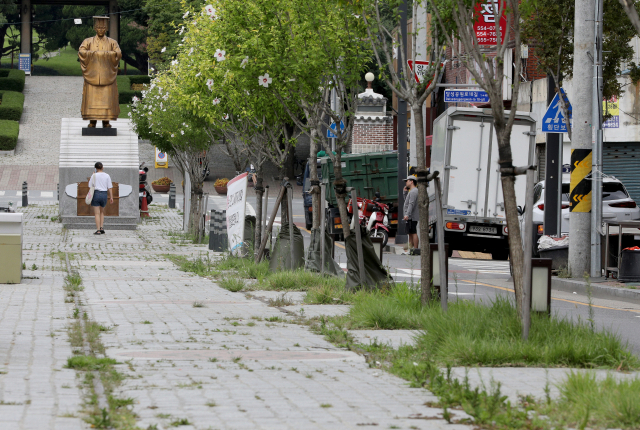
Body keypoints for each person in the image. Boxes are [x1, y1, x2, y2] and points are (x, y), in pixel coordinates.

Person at [78, 16, 121, 128]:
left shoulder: (112, 42)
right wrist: (94, 54)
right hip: (92, 74)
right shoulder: (88, 41)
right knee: (91, 97)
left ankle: (106, 121)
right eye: (99, 27)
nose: (101, 30)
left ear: (106, 28)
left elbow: (118, 53)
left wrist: (107, 55)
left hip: (107, 75)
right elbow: (81, 51)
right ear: (95, 28)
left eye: (103, 28)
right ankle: (92, 121)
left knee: (107, 97)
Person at [90, 162, 114, 235]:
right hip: (104, 194)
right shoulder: (107, 175)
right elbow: (110, 187)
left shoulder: (94, 175)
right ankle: (101, 227)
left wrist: (93, 175)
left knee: (97, 213)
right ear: (102, 167)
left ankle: (98, 230)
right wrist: (111, 197)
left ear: (96, 168)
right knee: (102, 212)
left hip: (96, 194)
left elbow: (90, 185)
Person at [403, 175, 420, 254]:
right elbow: (407, 201)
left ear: (411, 181)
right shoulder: (412, 191)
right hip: (411, 216)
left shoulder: (414, 191)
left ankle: (415, 249)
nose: (406, 182)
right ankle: (410, 250)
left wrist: (407, 214)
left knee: (413, 232)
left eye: (407, 181)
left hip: (412, 216)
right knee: (410, 233)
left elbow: (411, 204)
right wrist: (405, 193)